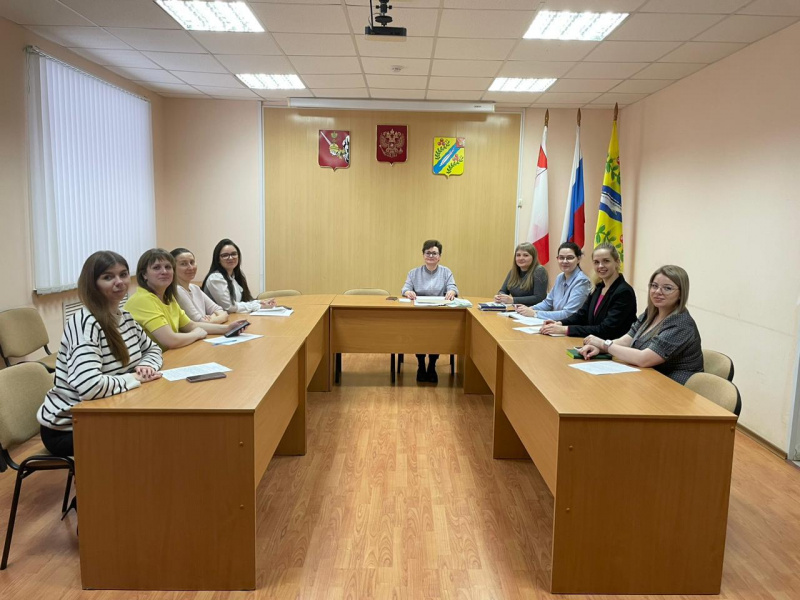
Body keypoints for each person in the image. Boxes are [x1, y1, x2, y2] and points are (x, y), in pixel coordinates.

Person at [37, 251, 163, 457]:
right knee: (149, 435)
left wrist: (147, 366)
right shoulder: (86, 324)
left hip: (108, 410)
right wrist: (133, 378)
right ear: (92, 284)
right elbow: (89, 387)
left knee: (159, 427)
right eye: (108, 277)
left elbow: (153, 349)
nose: (119, 282)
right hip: (71, 427)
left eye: (123, 274)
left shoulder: (125, 317)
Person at [579, 265, 703, 384]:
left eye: (667, 288)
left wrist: (604, 344)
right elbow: (626, 340)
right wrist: (600, 349)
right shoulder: (652, 312)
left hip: (674, 387)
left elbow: (644, 359)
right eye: (654, 286)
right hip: (647, 378)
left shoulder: (681, 324)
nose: (658, 291)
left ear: (681, 293)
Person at [126, 248, 247, 349]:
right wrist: (196, 334)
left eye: (168, 267)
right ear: (144, 274)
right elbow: (170, 340)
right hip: (146, 364)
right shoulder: (143, 299)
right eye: (156, 267)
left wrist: (227, 328)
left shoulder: (168, 297)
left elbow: (191, 325)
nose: (164, 271)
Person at [540, 243, 636, 339]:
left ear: (617, 262)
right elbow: (582, 315)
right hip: (592, 342)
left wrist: (566, 329)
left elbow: (605, 330)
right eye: (596, 262)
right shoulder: (598, 287)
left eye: (606, 261)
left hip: (612, 345)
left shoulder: (624, 292)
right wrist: (559, 323)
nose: (600, 266)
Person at [401, 239, 458, 384]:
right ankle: (421, 364)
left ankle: (432, 365)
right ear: (423, 255)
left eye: (434, 253)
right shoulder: (414, 273)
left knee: (436, 333)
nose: (431, 256)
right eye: (428, 253)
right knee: (419, 333)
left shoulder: (446, 272)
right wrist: (408, 292)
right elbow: (405, 288)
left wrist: (451, 291)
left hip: (439, 313)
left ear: (439, 256)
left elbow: (453, 287)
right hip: (418, 314)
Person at [515, 241, 591, 320]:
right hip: (555, 323)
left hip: (568, 325)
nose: (564, 261)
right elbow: (548, 303)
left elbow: (568, 314)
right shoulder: (560, 277)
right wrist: (529, 309)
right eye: (561, 258)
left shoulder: (582, 281)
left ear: (578, 259)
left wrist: (535, 313)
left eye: (569, 258)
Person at [202, 238, 275, 313]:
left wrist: (260, 302)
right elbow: (229, 307)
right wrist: (258, 306)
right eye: (225, 255)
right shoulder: (215, 278)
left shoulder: (234, 276)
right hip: (221, 319)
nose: (231, 258)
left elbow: (241, 302)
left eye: (234, 254)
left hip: (235, 317)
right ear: (218, 259)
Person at [171, 247, 229, 324]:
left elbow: (219, 310)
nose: (190, 267)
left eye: (192, 262)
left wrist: (210, 319)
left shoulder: (194, 288)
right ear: (172, 268)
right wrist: (216, 317)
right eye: (183, 264)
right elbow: (198, 322)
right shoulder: (177, 290)